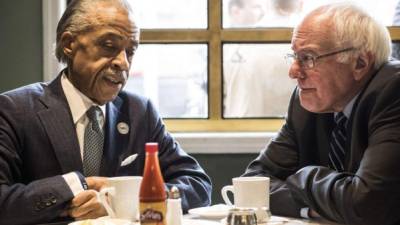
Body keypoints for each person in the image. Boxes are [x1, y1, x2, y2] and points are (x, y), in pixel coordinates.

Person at [0, 0, 211, 224]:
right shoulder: (15, 110)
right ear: (69, 43)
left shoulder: (140, 113)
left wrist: (128, 200)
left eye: (130, 52)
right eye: (109, 47)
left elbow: (197, 185)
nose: (123, 63)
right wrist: (75, 187)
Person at [243, 3, 400, 225]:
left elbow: (367, 205)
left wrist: (304, 176)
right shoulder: (308, 101)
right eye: (294, 56)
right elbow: (252, 184)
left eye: (308, 58)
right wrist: (316, 209)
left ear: (360, 63)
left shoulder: (394, 92)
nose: (293, 72)